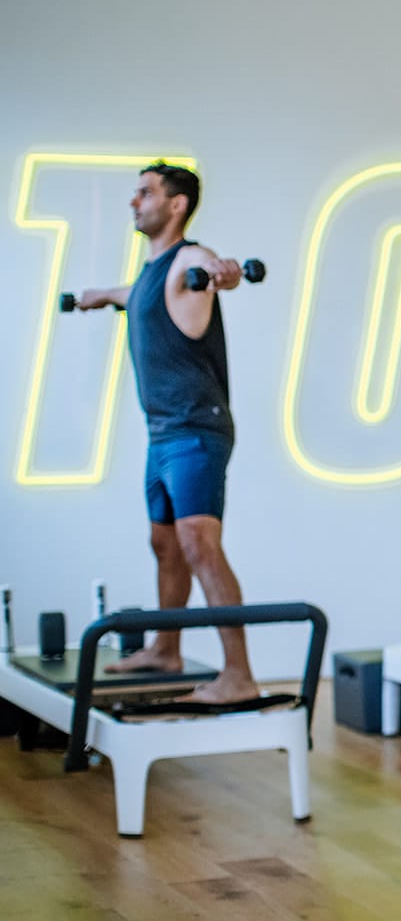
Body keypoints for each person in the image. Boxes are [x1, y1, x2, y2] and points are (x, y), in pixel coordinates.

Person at [69, 163, 258, 704]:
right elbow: (135, 294)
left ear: (176, 205)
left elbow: (216, 268)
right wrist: (101, 295)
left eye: (146, 193)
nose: (134, 202)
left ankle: (239, 674)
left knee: (199, 542)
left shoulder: (189, 262)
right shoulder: (152, 274)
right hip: (162, 434)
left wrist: (227, 272)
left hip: (197, 430)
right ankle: (166, 648)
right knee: (164, 543)